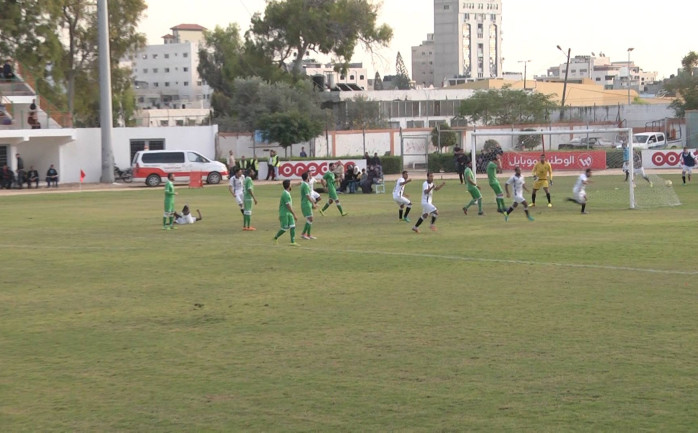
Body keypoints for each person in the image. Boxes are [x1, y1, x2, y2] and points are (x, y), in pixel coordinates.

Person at [273, 179, 299, 246]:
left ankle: (292, 242)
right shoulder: (285, 194)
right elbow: (288, 206)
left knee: (293, 226)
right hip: (285, 213)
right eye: (291, 184)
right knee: (285, 228)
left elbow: (280, 204)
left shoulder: (287, 193)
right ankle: (275, 237)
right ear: (288, 185)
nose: (291, 185)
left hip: (288, 213)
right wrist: (294, 214)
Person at [300, 171, 318, 240]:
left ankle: (308, 234)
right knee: (310, 218)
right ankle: (303, 234)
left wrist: (313, 202)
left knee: (310, 219)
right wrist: (313, 203)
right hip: (306, 204)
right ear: (307, 177)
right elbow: (307, 196)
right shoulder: (305, 185)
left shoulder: (305, 184)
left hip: (307, 203)